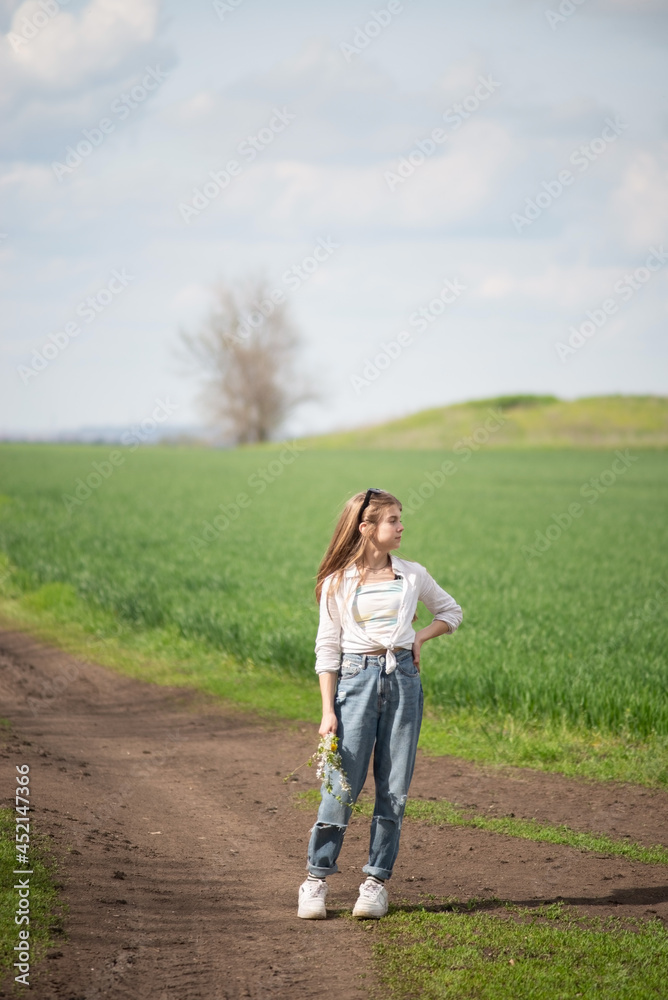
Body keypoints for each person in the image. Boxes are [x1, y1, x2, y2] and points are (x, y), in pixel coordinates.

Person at [297, 488, 463, 920]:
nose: (401, 526)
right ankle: (315, 880)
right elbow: (327, 648)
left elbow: (452, 612)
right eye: (392, 519)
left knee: (393, 789)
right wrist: (327, 711)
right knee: (341, 785)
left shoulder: (412, 574)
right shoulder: (337, 581)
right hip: (355, 682)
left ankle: (375, 883)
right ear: (365, 527)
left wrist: (419, 638)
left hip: (404, 681)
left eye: (400, 518)